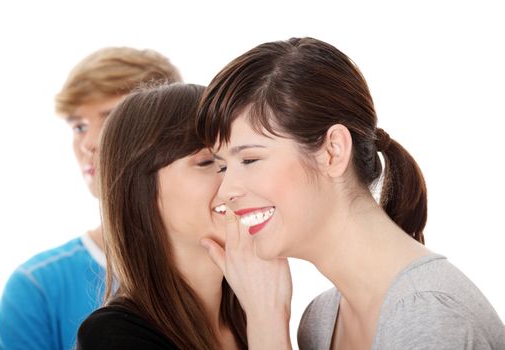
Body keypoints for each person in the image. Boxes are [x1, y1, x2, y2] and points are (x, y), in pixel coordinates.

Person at [196, 37, 505, 349]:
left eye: (249, 160)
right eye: (222, 167)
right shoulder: (320, 320)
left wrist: (267, 322)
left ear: (333, 151)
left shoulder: (428, 315)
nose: (226, 191)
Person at [0, 47, 182, 350]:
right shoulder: (37, 287)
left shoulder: (226, 268)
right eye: (79, 126)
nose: (90, 143)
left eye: (112, 119)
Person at [76, 83, 247, 349]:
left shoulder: (244, 320)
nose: (238, 182)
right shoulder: (113, 337)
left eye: (244, 161)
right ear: (141, 190)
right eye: (206, 162)